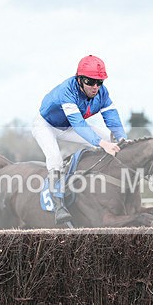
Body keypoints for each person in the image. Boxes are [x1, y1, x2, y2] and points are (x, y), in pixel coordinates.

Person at [32, 55, 128, 225]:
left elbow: (112, 118)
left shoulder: (102, 93)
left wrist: (122, 139)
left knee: (109, 138)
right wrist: (102, 144)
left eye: (100, 82)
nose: (95, 87)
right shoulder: (66, 91)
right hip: (46, 125)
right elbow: (79, 124)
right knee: (55, 159)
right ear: (79, 79)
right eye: (91, 82)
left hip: (67, 126)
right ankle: (58, 204)